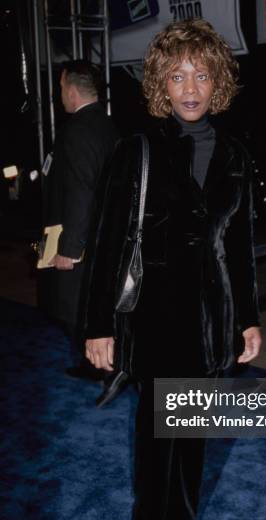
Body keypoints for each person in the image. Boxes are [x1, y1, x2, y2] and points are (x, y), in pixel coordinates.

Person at [82, 19, 262, 520]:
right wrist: (97, 326)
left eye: (201, 75)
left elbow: (238, 247)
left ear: (218, 84)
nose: (190, 88)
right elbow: (109, 242)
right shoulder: (138, 149)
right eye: (178, 76)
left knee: (195, 429)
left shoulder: (235, 155)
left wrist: (247, 318)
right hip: (155, 315)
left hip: (212, 315)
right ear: (160, 84)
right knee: (158, 429)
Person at [38, 60, 125, 405]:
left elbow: (80, 191)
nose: (60, 96)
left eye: (60, 89)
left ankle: (106, 367)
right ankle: (99, 366)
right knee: (94, 307)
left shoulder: (76, 131)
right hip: (103, 234)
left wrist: (69, 248)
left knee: (74, 308)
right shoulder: (107, 125)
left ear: (69, 89)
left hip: (79, 239)